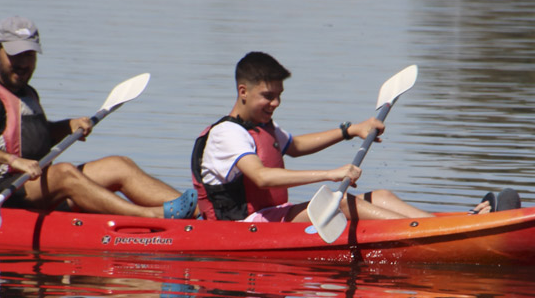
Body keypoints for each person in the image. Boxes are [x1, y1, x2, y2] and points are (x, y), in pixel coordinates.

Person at [191, 51, 513, 223]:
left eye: (279, 95)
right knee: (340, 200)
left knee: (382, 195)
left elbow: (296, 146)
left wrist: (351, 130)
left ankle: (459, 223)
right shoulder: (227, 134)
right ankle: (435, 231)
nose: (275, 103)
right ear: (243, 92)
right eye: (267, 96)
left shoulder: (261, 126)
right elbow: (261, 178)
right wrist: (332, 174)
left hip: (269, 217)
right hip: (243, 227)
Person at [0, 16, 197, 219]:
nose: (22, 63)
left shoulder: (25, 93)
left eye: (28, 55)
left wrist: (67, 126)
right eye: (15, 55)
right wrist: (13, 161)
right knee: (63, 172)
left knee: (119, 165)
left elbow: (27, 134)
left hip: (26, 182)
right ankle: (149, 217)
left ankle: (198, 214)